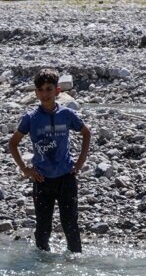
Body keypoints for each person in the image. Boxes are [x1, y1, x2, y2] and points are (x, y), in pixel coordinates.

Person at [8, 69, 93, 253]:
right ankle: (42, 263)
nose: (45, 94)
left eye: (49, 89)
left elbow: (86, 133)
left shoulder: (67, 115)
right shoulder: (31, 119)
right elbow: (13, 143)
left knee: (70, 224)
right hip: (42, 180)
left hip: (66, 178)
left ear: (57, 91)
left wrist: (79, 164)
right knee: (43, 227)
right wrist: (25, 169)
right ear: (36, 93)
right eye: (41, 90)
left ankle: (75, 262)